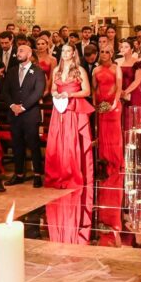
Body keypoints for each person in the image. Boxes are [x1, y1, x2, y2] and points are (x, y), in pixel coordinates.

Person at [45, 45, 94, 188]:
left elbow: (86, 91)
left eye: (68, 51)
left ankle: (72, 174)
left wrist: (70, 94)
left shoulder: (80, 70)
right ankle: (58, 174)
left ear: (73, 53)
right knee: (58, 141)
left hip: (74, 109)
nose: (65, 53)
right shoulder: (56, 71)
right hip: (59, 108)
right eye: (63, 51)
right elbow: (53, 88)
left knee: (71, 140)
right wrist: (55, 94)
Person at [6, 38, 46, 187]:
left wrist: (23, 107)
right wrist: (12, 105)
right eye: (17, 51)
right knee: (17, 145)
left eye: (21, 51)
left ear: (29, 54)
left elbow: (38, 92)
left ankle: (37, 175)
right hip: (14, 114)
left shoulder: (37, 72)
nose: (18, 53)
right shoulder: (11, 71)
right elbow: (5, 91)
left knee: (33, 144)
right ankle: (19, 174)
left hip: (30, 114)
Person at [93, 53, 124, 174]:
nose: (104, 54)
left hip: (113, 104)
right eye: (102, 52)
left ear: (111, 53)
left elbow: (118, 86)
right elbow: (94, 88)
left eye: (107, 52)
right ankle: (104, 161)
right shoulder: (96, 70)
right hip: (101, 105)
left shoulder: (116, 68)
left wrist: (115, 103)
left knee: (114, 133)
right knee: (102, 133)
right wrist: (95, 104)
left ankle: (115, 161)